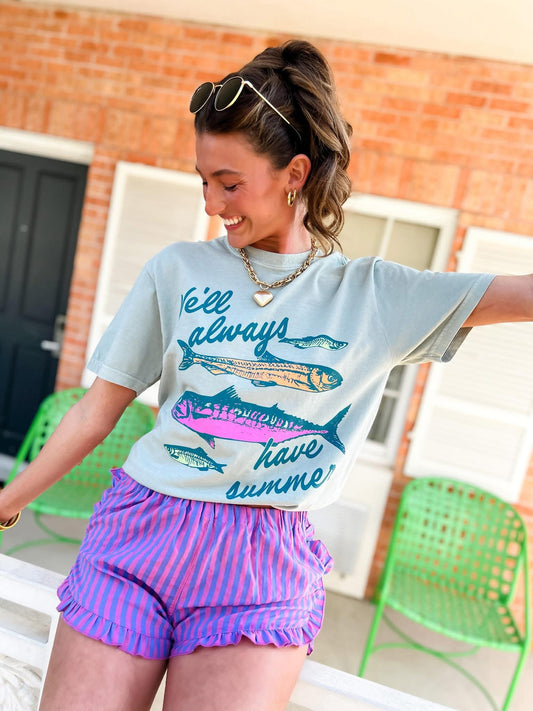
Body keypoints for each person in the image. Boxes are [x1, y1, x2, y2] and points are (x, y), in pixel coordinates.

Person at [0, 39, 531, 711]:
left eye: (229, 183)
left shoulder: (374, 295)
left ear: (294, 173)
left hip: (261, 565)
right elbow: (93, 411)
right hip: (138, 531)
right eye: (202, 180)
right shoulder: (177, 269)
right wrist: (7, 499)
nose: (211, 203)